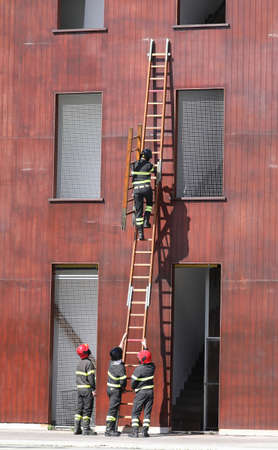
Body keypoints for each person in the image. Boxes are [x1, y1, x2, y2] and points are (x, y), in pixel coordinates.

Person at [129, 338, 155, 438]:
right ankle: (145, 432)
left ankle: (135, 432)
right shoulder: (152, 367)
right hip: (150, 393)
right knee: (147, 413)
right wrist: (145, 346)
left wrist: (134, 387)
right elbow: (148, 356)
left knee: (136, 412)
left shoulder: (138, 369)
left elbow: (133, 384)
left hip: (141, 393)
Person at [105, 332, 127, 437]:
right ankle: (109, 430)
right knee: (112, 410)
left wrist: (123, 338)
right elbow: (123, 382)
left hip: (109, 389)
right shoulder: (120, 368)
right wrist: (123, 388)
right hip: (115, 391)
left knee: (114, 408)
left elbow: (119, 349)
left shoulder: (111, 362)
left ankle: (113, 429)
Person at [131, 148, 156, 240]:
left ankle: (141, 234)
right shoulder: (149, 165)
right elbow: (156, 172)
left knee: (138, 213)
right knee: (149, 203)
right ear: (148, 157)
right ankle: (146, 221)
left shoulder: (133, 165)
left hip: (136, 191)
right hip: (146, 189)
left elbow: (132, 177)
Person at [74, 343, 96, 435]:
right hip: (87, 390)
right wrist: (93, 389)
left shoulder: (79, 364)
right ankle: (86, 429)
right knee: (87, 408)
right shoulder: (89, 363)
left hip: (79, 390)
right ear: (86, 352)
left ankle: (77, 428)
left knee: (79, 409)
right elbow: (91, 378)